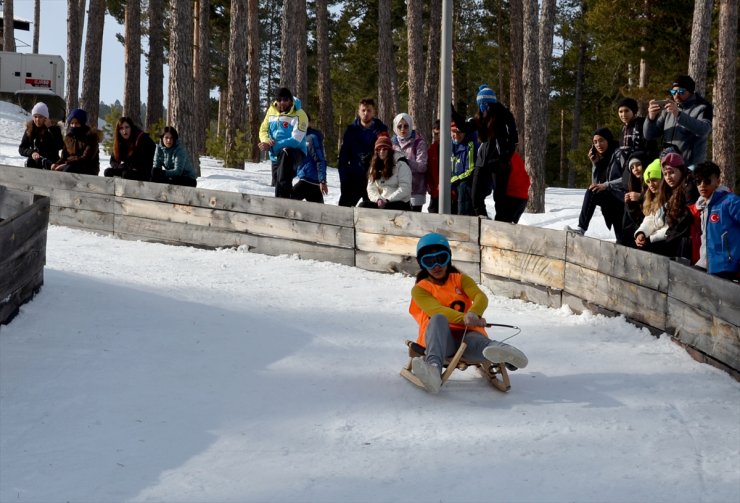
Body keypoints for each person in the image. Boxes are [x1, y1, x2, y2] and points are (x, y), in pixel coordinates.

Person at [407, 232, 528, 393]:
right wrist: (465, 318)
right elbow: (435, 309)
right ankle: (433, 370)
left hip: (467, 337)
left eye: (441, 259)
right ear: (422, 264)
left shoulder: (461, 279)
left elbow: (480, 296)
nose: (436, 266)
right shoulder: (420, 289)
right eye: (429, 261)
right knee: (437, 319)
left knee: (478, 342)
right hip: (442, 342)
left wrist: (475, 313)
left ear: (448, 258)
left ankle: (502, 351)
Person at [465, 84, 519, 219]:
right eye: (481, 104)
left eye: (485, 104)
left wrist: (505, 157)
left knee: (500, 197)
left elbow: (514, 138)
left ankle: (501, 223)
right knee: (476, 193)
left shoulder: (504, 115)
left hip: (499, 161)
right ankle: (482, 218)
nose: (483, 107)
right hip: (483, 161)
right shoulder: (480, 117)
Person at [565, 128, 625, 242]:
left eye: (601, 140)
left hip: (622, 201)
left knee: (624, 242)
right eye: (595, 142)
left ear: (608, 140)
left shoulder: (619, 153)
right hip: (611, 202)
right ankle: (581, 229)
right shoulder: (600, 158)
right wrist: (595, 164)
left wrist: (607, 185)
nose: (598, 144)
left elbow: (627, 179)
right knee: (592, 191)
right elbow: (595, 184)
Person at [634, 153, 695, 260]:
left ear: (681, 170)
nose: (668, 177)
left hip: (680, 240)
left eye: (671, 172)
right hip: (668, 237)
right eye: (665, 174)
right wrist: (642, 232)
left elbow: (682, 222)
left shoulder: (687, 189)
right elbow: (652, 217)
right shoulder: (665, 190)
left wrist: (652, 238)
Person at [644, 75, 713, 169]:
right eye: (673, 91)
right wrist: (651, 118)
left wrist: (679, 114)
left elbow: (704, 130)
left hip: (690, 166)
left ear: (690, 92)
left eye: (681, 92)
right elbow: (649, 135)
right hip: (669, 165)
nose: (676, 95)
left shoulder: (702, 107)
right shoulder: (668, 109)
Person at [690, 161, 739, 280]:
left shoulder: (730, 201)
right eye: (698, 181)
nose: (702, 185)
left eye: (707, 181)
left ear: (717, 181)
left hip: (727, 266)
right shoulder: (702, 206)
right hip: (706, 263)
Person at [258, 87, 308, 199]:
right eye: (279, 99)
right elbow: (263, 129)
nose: (282, 102)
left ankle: (283, 206)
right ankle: (287, 204)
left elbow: (296, 140)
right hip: (275, 156)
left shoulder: (300, 114)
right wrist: (266, 141)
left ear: (290, 100)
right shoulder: (271, 111)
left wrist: (273, 146)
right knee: (278, 184)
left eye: (285, 99)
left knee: (286, 154)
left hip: (296, 153)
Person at [337, 98, 388, 207]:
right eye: (363, 110)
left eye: (369, 110)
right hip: (353, 179)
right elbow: (343, 158)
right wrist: (344, 180)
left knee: (372, 216)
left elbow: (387, 156)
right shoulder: (351, 131)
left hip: (374, 180)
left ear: (374, 112)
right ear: (359, 111)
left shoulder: (381, 131)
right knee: (343, 211)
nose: (366, 113)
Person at [359, 134, 412, 210]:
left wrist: (388, 200)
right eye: (379, 149)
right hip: (381, 201)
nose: (381, 151)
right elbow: (371, 188)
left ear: (389, 150)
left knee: (387, 209)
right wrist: (378, 199)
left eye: (384, 149)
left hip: (398, 202)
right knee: (363, 206)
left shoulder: (401, 164)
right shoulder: (374, 166)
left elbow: (405, 188)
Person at [391, 113, 428, 212]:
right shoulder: (392, 144)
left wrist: (407, 162)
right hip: (397, 189)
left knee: (414, 222)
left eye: (406, 126)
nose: (403, 129)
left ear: (411, 126)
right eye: (399, 126)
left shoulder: (418, 142)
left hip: (415, 190)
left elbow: (422, 167)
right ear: (395, 127)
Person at [103, 117, 156, 181]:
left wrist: (126, 166)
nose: (124, 131)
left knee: (126, 174)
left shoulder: (141, 138)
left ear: (131, 127)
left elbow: (140, 161)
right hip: (128, 169)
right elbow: (113, 160)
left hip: (143, 172)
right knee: (108, 172)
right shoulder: (120, 141)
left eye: (127, 127)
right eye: (121, 128)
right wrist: (118, 167)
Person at [51, 108, 101, 175]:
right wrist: (56, 164)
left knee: (68, 169)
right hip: (70, 165)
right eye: (72, 123)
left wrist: (66, 164)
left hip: (89, 169)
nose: (74, 126)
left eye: (77, 123)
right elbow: (64, 156)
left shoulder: (90, 137)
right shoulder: (68, 138)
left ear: (82, 123)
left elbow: (86, 159)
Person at [18, 102, 64, 170]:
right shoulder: (30, 129)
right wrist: (32, 152)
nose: (37, 120)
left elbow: (60, 145)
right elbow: (22, 148)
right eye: (35, 117)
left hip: (52, 164)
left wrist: (51, 128)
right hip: (35, 163)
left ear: (46, 118)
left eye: (40, 117)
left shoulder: (54, 129)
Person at [293, 118, 328, 203]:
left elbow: (320, 159)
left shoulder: (311, 138)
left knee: (287, 203)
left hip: (309, 180)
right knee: (319, 213)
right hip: (309, 180)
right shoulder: (300, 136)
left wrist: (322, 180)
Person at [621, 151, 649, 247]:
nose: (635, 169)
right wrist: (629, 204)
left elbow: (657, 201)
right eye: (632, 167)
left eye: (638, 165)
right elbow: (632, 216)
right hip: (637, 226)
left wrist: (641, 197)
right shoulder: (633, 184)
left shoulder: (652, 181)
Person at [450, 121, 477, 216]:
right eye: (454, 132)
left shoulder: (470, 144)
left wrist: (453, 179)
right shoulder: (448, 145)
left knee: (464, 188)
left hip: (465, 182)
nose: (456, 135)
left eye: (459, 132)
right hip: (453, 183)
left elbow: (470, 169)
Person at [426, 120, 440, 213]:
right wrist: (430, 186)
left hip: (451, 194)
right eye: (435, 134)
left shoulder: (452, 148)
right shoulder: (431, 150)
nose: (437, 137)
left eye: (439, 134)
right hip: (435, 192)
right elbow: (428, 170)